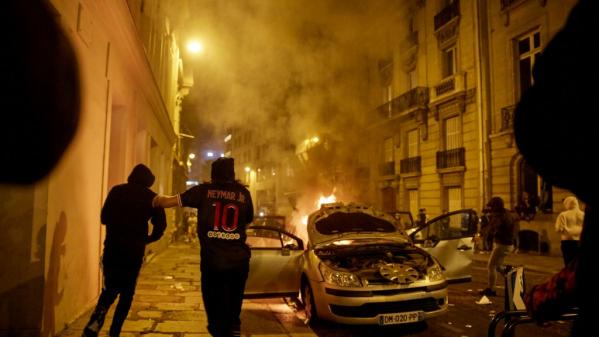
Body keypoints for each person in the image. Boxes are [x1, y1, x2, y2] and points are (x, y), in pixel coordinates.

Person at [153, 157, 254, 337]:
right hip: (239, 262)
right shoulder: (244, 193)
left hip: (212, 261)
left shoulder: (203, 191)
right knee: (233, 311)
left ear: (213, 174)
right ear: (233, 173)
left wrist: (155, 199)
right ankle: (233, 329)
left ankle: (219, 330)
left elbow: (169, 202)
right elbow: (247, 220)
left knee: (214, 313)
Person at [82, 164, 166, 337]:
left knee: (109, 289)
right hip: (133, 252)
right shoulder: (153, 198)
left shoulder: (116, 191)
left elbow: (104, 218)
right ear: (149, 181)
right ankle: (115, 331)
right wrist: (147, 239)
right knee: (127, 294)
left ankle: (94, 324)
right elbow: (160, 227)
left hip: (112, 248)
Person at [479, 196, 517, 297]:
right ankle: (512, 280)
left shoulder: (499, 216)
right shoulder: (507, 213)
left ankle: (491, 289)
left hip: (502, 244)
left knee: (491, 266)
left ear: (496, 206)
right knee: (498, 266)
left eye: (492, 207)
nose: (490, 209)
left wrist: (481, 233)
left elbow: (491, 229)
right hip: (508, 244)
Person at [555, 196, 584, 267]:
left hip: (567, 242)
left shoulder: (563, 215)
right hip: (581, 242)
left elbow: (558, 229)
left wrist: (568, 230)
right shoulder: (583, 215)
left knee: (568, 264)